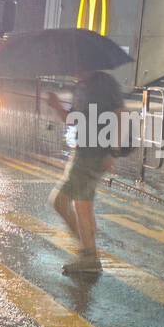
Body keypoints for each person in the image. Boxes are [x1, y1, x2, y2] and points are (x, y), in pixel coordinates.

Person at [44, 69, 124, 275]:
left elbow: (120, 113)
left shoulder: (103, 82)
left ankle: (89, 254)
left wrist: (113, 152)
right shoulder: (80, 87)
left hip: (94, 152)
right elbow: (73, 120)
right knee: (82, 204)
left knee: (64, 201)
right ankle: (88, 251)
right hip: (82, 151)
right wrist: (56, 106)